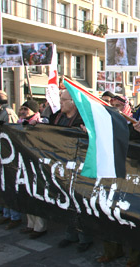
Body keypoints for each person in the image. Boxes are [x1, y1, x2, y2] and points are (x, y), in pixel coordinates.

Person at [49, 90, 92, 252]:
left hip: (79, 169)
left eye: (63, 99)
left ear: (73, 102)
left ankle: (84, 238)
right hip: (61, 166)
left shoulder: (84, 120)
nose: (60, 102)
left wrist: (87, 134)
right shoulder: (57, 117)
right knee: (66, 202)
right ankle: (69, 234)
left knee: (80, 204)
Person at [0, 90, 22, 230]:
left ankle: (15, 216)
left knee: (10, 186)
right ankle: (7, 213)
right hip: (1, 155)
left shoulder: (7, 114)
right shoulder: (1, 113)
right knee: (3, 185)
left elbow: (12, 136)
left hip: (8, 157)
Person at [17, 100, 48, 239]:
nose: (23, 111)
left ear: (34, 111)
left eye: (26, 109)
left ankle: (40, 227)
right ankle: (31, 224)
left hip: (37, 165)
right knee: (27, 194)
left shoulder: (41, 123)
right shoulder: (19, 123)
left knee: (37, 195)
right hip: (23, 163)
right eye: (22, 108)